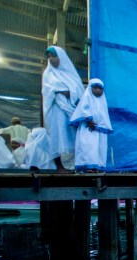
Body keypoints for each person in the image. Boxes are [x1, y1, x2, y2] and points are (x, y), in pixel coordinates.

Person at [42, 45, 85, 173]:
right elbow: (48, 90)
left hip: (72, 111)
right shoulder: (48, 74)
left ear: (61, 57)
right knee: (58, 136)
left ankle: (76, 164)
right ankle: (60, 167)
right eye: (49, 57)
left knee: (74, 137)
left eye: (54, 56)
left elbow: (79, 90)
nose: (51, 59)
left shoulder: (71, 73)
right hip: (57, 110)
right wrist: (60, 91)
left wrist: (69, 92)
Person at [69, 78, 113, 172]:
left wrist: (101, 125)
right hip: (88, 128)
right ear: (90, 88)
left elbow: (104, 116)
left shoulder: (102, 101)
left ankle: (98, 166)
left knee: (99, 148)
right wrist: (89, 120)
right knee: (88, 147)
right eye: (95, 87)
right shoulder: (87, 97)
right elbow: (83, 108)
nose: (97, 90)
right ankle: (87, 167)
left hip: (99, 128)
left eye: (100, 88)